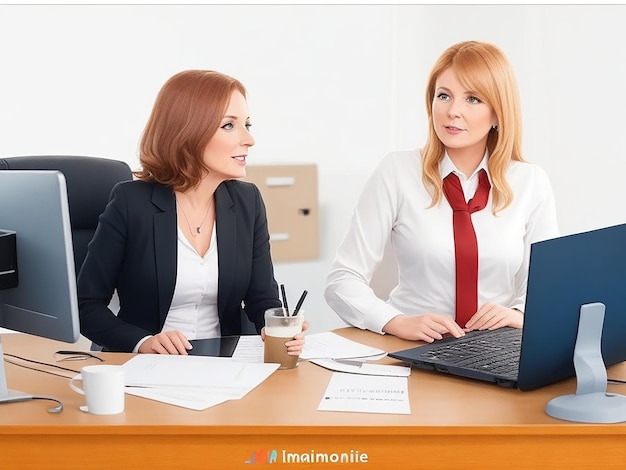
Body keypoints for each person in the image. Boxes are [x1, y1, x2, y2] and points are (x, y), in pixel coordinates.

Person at [324, 41, 559, 343]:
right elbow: (342, 280)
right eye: (443, 96)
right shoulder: (397, 172)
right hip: (411, 345)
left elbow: (547, 287)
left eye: (472, 99)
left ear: (498, 114)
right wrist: (396, 322)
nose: (452, 111)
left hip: (495, 347)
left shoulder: (530, 182)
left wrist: (521, 314)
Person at [78, 70, 308, 354]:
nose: (249, 139)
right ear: (188, 131)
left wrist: (277, 324)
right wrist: (142, 342)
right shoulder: (131, 202)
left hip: (224, 365)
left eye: (247, 124)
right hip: (145, 368)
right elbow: (85, 306)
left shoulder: (248, 201)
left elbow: (262, 298)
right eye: (229, 125)